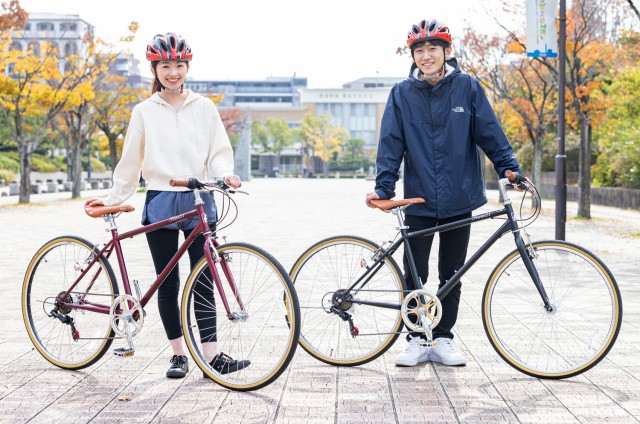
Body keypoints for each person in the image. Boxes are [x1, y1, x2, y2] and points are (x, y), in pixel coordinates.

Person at [86, 32, 249, 379]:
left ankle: (211, 357)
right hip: (161, 198)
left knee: (203, 278)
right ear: (155, 69)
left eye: (178, 65)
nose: (172, 72)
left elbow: (219, 151)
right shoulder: (144, 111)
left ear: (187, 67)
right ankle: (178, 355)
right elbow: (131, 161)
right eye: (165, 66)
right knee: (168, 282)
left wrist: (227, 175)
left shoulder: (204, 106)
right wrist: (114, 198)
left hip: (199, 196)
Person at [365, 19, 521, 367]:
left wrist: (507, 166)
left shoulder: (467, 87)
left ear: (446, 51)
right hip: (418, 198)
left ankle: (444, 338)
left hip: (459, 197)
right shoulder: (402, 94)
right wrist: (383, 188)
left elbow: (489, 132)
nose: (426, 55)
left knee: (452, 273)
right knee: (414, 273)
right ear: (413, 56)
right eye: (419, 50)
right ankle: (417, 339)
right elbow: (391, 144)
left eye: (432, 48)